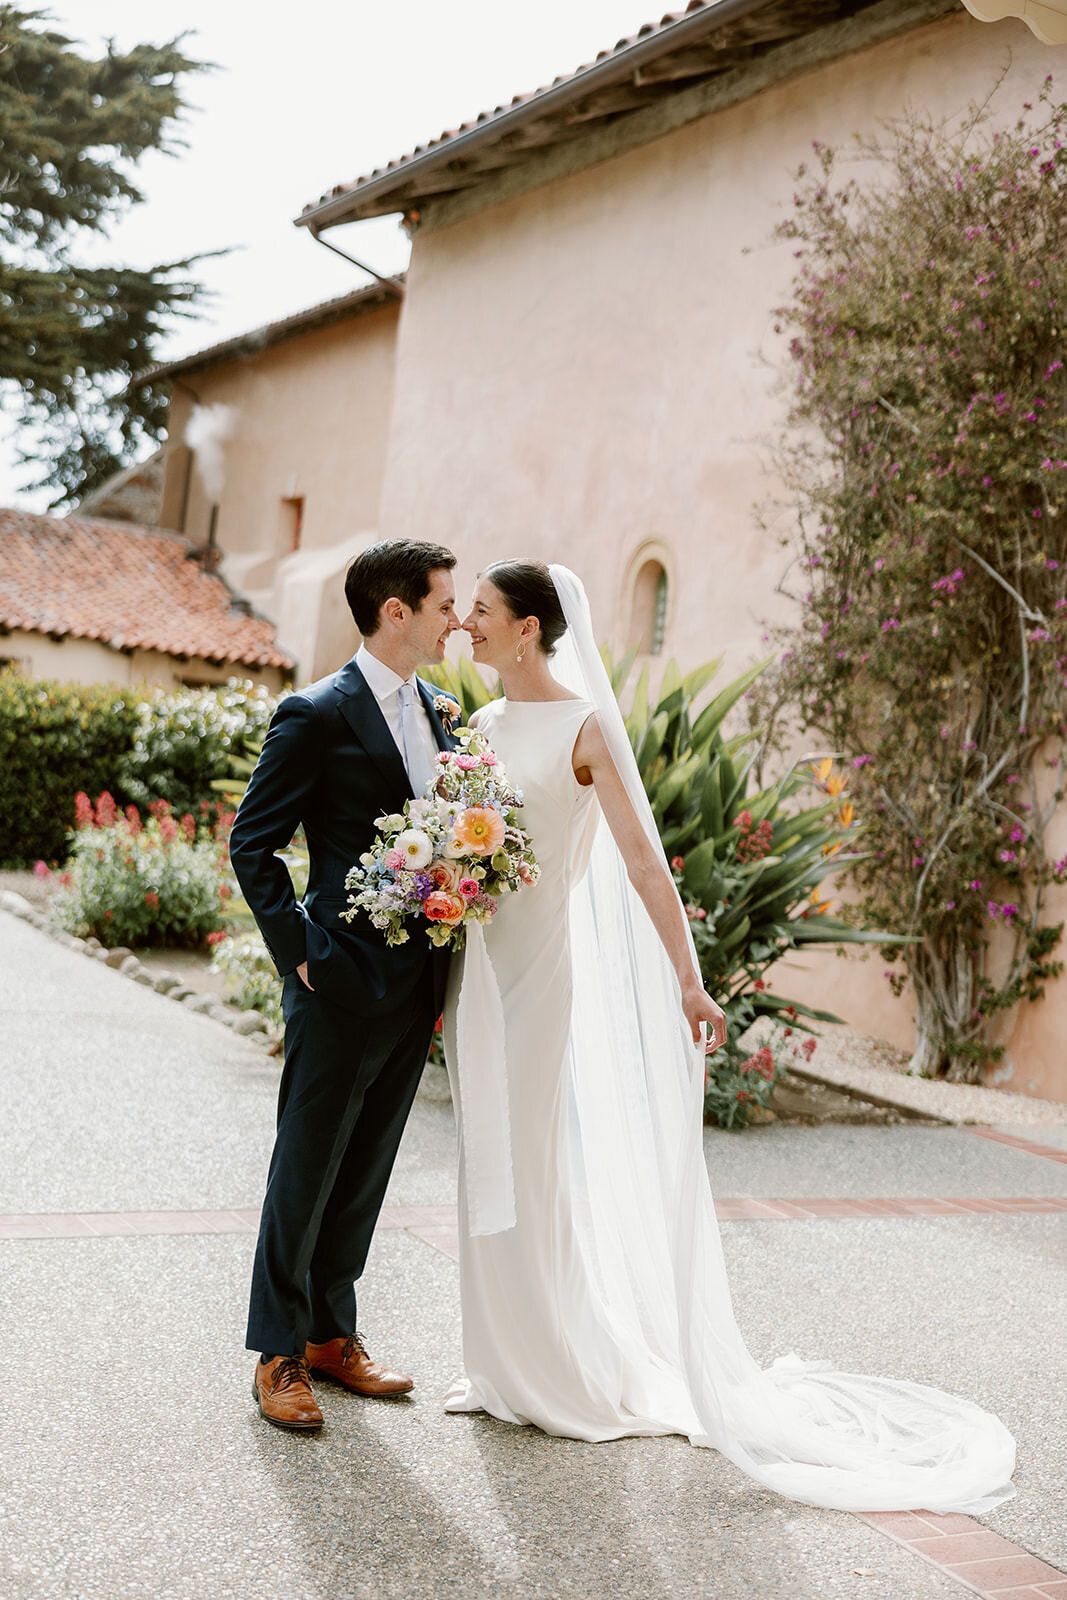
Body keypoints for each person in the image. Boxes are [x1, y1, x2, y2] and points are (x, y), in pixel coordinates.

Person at [442, 559, 1016, 1514]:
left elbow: (638, 859)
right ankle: (496, 1362)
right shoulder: (482, 727)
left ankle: (554, 1365)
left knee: (533, 1158)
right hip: (476, 970)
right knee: (479, 1153)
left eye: (485, 612)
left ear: (532, 630)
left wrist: (687, 977)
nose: (467, 622)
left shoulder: (583, 728)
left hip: (537, 976)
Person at [230, 538, 460, 1430]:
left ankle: (332, 1334)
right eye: (442, 603)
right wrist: (303, 953)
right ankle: (277, 1353)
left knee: (365, 1168)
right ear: (394, 611)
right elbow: (254, 842)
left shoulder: (443, 713)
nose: (453, 618)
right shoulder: (315, 712)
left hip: (415, 983)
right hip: (336, 979)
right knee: (307, 1163)